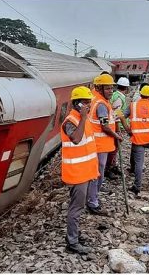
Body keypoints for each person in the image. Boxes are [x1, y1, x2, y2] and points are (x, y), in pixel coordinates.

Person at [61, 86, 98, 254]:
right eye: (85, 103)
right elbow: (75, 139)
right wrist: (83, 118)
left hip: (85, 171)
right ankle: (72, 242)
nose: (89, 106)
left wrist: (84, 117)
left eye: (89, 103)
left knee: (78, 207)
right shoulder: (71, 121)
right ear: (77, 104)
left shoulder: (83, 118)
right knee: (76, 208)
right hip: (76, 174)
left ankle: (74, 236)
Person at [117, 85, 149, 195]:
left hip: (137, 139)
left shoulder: (133, 106)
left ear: (140, 95)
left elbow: (121, 116)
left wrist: (128, 130)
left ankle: (137, 186)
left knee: (139, 164)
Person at [88, 74, 122, 215]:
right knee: (98, 174)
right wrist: (117, 136)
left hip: (97, 144)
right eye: (107, 88)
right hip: (100, 145)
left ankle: (92, 197)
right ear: (99, 88)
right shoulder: (101, 104)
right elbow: (105, 127)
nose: (110, 91)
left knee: (96, 173)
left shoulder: (96, 99)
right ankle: (92, 202)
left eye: (111, 88)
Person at [106, 77, 130, 180]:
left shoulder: (115, 95)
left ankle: (112, 166)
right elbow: (117, 114)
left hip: (113, 124)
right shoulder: (120, 98)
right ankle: (109, 169)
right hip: (116, 126)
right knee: (114, 149)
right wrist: (121, 129)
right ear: (126, 88)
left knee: (114, 149)